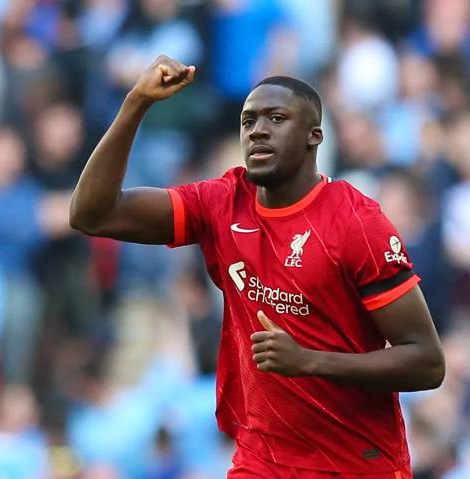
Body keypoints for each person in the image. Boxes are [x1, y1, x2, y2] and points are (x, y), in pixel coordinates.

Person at [70, 55, 445, 477]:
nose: (258, 130)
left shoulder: (356, 223)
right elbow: (92, 214)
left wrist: (308, 361)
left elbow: (427, 362)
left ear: (314, 136)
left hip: (355, 463)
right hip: (262, 460)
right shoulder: (220, 203)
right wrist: (136, 102)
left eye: (276, 118)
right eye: (248, 122)